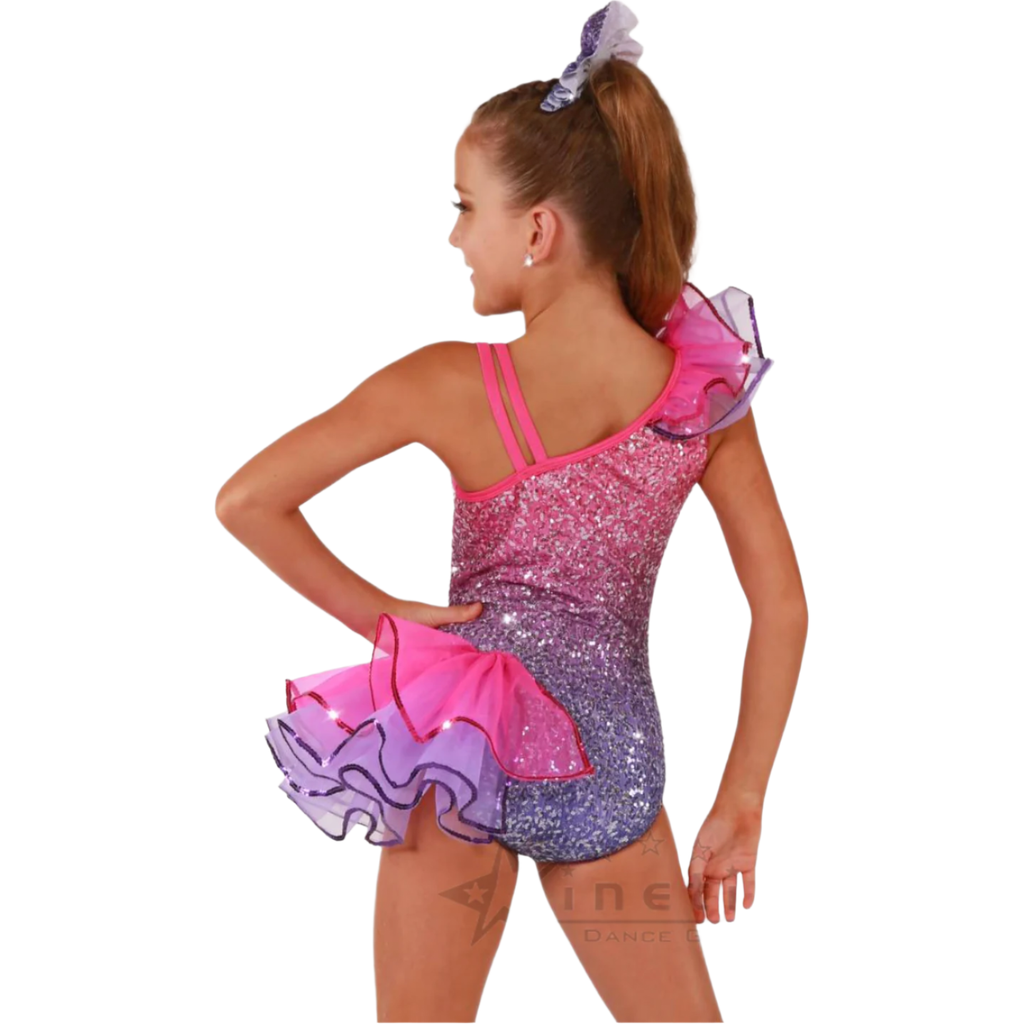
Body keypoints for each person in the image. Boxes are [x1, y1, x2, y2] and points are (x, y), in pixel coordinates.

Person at [216, 3, 807, 1020]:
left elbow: (248, 500)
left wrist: (387, 622)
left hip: (459, 752)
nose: (455, 236)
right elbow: (783, 607)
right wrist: (741, 797)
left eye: (464, 207)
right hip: (613, 762)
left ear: (537, 230)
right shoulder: (698, 396)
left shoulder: (447, 383)